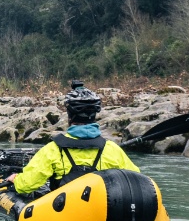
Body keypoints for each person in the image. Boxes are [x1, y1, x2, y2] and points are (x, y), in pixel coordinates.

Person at [8, 82, 140, 196]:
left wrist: (16, 180)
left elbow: (26, 185)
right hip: (103, 215)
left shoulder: (53, 150)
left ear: (69, 116)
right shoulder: (112, 150)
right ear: (94, 116)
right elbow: (137, 181)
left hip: (65, 217)